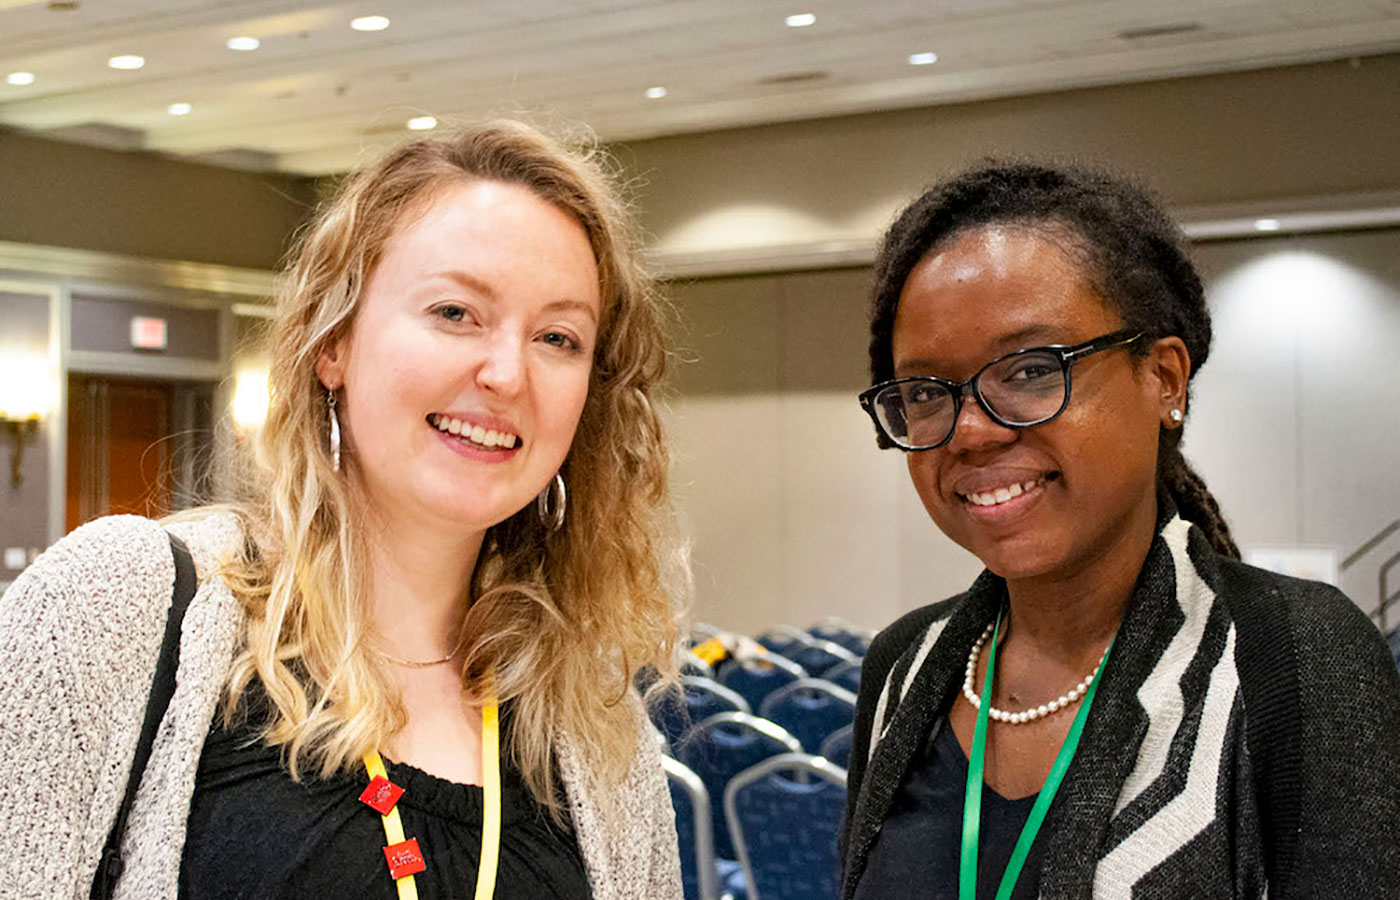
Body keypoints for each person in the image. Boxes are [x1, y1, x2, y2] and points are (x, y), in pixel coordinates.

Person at [0, 121, 687, 900]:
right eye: (455, 312)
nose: (507, 373)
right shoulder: (116, 611)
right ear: (335, 343)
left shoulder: (599, 727)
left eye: (558, 337)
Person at [842, 163, 1400, 899]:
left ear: (1164, 378)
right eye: (924, 392)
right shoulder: (905, 667)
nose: (970, 431)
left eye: (1031, 370)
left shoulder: (1295, 658)